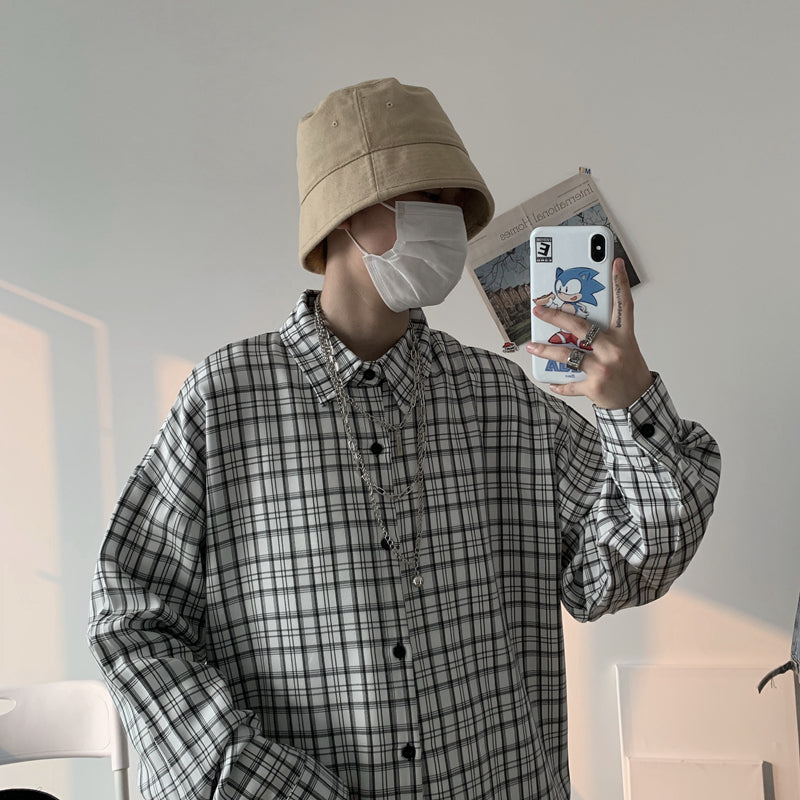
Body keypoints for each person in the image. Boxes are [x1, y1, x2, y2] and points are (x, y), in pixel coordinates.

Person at [88, 78, 721, 800]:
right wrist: (257, 782)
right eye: (426, 197)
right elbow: (131, 620)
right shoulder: (225, 400)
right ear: (345, 211)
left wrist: (630, 403)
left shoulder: (500, 397)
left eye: (456, 204)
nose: (448, 223)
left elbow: (628, 565)